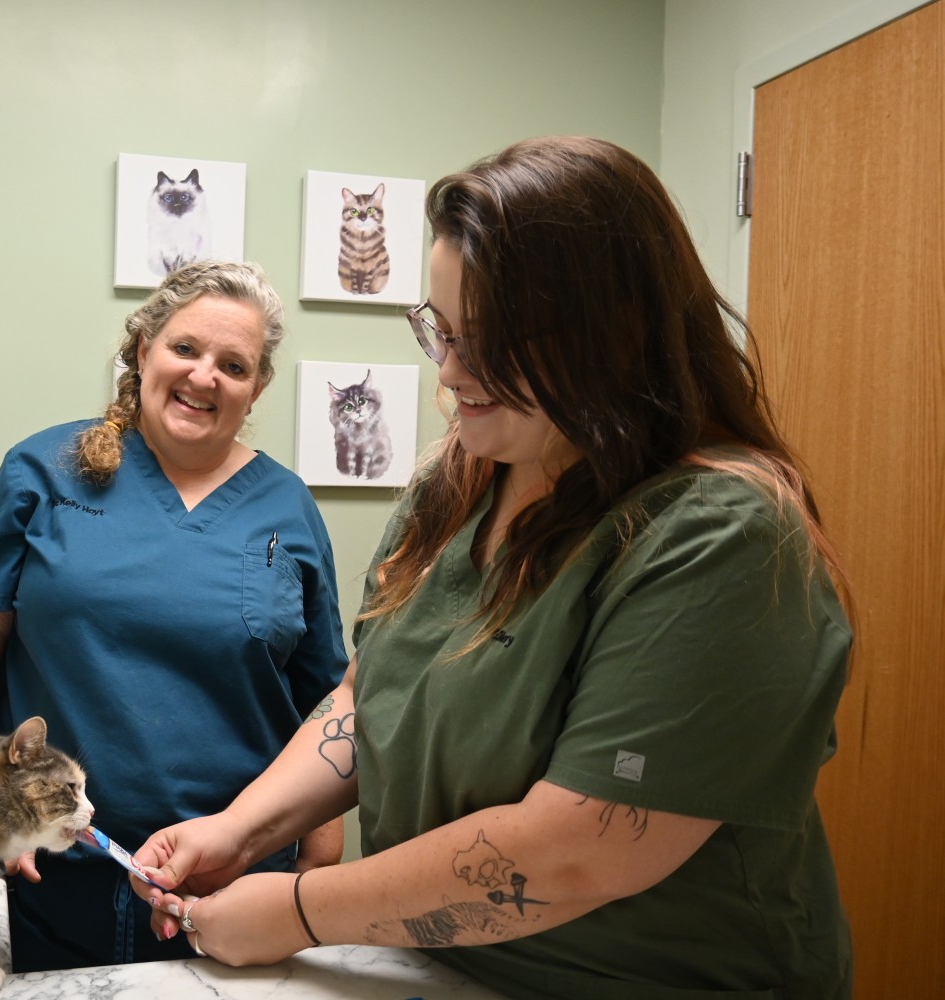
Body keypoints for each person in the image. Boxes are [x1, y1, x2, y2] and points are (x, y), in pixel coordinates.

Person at [131, 137, 854, 1000]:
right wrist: (240, 831)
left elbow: (573, 850)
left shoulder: (724, 535)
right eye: (441, 329)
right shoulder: (461, 476)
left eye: (493, 344)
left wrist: (298, 909)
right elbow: (372, 699)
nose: (449, 371)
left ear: (615, 333)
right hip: (443, 968)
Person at [0, 259, 350, 972]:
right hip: (55, 865)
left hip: (238, 883)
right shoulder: (44, 470)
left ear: (257, 386)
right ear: (145, 348)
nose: (204, 376)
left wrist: (317, 858)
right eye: (185, 349)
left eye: (233, 364)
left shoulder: (288, 507)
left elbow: (328, 700)